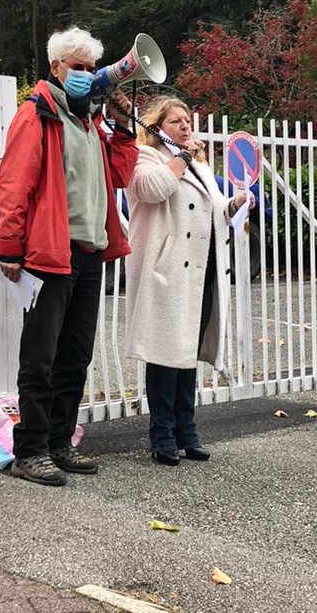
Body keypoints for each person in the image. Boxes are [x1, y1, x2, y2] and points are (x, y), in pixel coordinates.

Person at [0, 26, 138, 486]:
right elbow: (15, 183)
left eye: (91, 67)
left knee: (75, 355)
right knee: (40, 357)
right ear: (56, 68)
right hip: (47, 254)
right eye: (77, 67)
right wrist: (10, 245)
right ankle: (31, 450)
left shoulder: (90, 123)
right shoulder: (37, 115)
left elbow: (119, 175)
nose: (87, 75)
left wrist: (123, 125)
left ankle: (59, 443)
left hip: (88, 253)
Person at [125, 97, 251, 466]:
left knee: (187, 353)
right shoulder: (145, 156)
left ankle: (186, 429)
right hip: (166, 270)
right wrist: (181, 157)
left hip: (201, 269)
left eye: (187, 121)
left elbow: (211, 212)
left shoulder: (199, 165)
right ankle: (161, 434)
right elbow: (152, 190)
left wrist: (232, 205)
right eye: (176, 121)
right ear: (157, 125)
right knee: (164, 354)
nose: (185, 126)